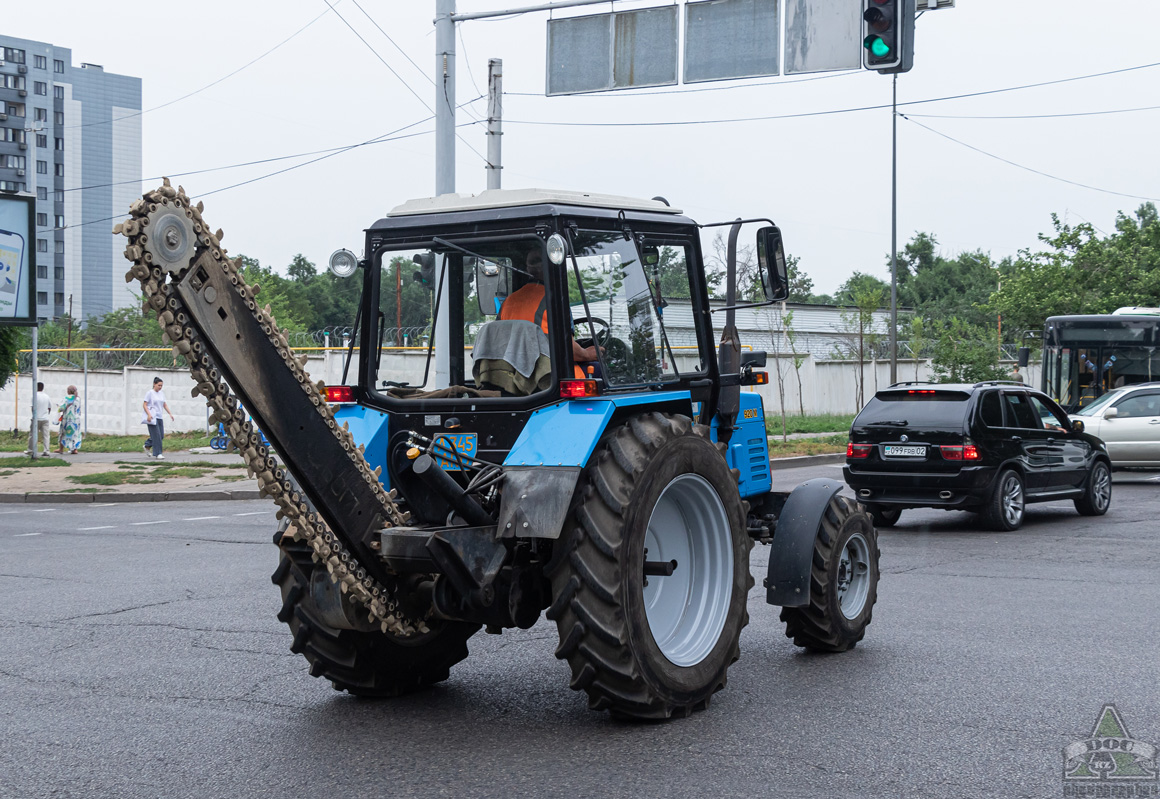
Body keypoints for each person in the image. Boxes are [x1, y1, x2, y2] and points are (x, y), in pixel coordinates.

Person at [498, 248, 599, 378]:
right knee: (599, 369)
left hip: (516, 377)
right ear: (552, 267)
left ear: (528, 269)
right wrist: (587, 354)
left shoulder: (508, 302)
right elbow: (569, 351)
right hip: (547, 376)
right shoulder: (554, 300)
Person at [141, 377, 174, 459]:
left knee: (161, 436)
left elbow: (164, 404)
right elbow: (144, 404)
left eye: (161, 385)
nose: (160, 387)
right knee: (156, 436)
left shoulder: (161, 393)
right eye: (159, 385)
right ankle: (158, 453)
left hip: (159, 417)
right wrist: (149, 414)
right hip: (152, 417)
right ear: (154, 384)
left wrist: (170, 413)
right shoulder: (150, 393)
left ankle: (147, 445)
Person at [26, 382, 52, 458]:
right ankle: (46, 451)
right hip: (45, 419)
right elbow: (49, 408)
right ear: (42, 388)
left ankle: (31, 450)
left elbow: (32, 407)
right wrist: (46, 414)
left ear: (36, 387)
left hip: (36, 419)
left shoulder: (34, 396)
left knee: (32, 435)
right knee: (46, 435)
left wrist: (34, 416)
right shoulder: (47, 396)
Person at [55, 386, 83, 455]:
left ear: (69, 391)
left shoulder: (66, 398)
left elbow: (61, 408)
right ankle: (74, 449)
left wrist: (58, 407)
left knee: (63, 433)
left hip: (67, 418)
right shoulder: (78, 399)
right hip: (76, 419)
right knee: (75, 434)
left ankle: (61, 449)